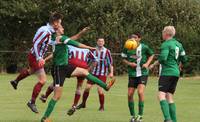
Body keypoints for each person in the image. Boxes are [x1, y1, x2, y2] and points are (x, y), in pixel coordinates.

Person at [41, 25, 115, 122]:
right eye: (61, 27)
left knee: (84, 72)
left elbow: (73, 38)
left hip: (65, 67)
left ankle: (105, 86)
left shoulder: (58, 38)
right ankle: (45, 118)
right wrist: (90, 48)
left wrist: (82, 32)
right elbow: (76, 44)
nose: (63, 28)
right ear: (57, 30)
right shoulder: (61, 38)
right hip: (59, 69)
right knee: (57, 95)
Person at [10, 12, 63, 113]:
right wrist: (39, 57)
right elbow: (36, 43)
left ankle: (15, 81)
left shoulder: (47, 31)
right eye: (60, 23)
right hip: (35, 57)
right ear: (55, 23)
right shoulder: (46, 31)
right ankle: (32, 102)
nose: (60, 25)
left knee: (30, 71)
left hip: (33, 56)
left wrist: (55, 42)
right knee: (43, 80)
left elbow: (44, 42)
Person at [39, 45, 97, 116]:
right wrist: (88, 70)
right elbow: (95, 60)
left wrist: (45, 60)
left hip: (71, 66)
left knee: (57, 81)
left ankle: (45, 96)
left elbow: (55, 54)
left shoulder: (68, 46)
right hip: (83, 67)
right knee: (79, 87)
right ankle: (74, 106)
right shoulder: (87, 50)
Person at [156, 26, 187, 122]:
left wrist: (156, 63)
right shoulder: (179, 44)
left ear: (165, 34)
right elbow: (184, 59)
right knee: (169, 96)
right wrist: (179, 65)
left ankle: (168, 119)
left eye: (162, 33)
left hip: (167, 72)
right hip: (176, 73)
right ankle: (174, 120)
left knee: (161, 95)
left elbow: (163, 58)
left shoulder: (166, 44)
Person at [121, 33, 154, 122]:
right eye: (131, 37)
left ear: (139, 39)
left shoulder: (144, 47)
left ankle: (140, 116)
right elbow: (123, 58)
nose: (133, 39)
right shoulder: (127, 46)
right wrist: (129, 63)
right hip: (132, 74)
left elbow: (152, 55)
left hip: (143, 73)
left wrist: (147, 64)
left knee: (140, 92)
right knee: (129, 94)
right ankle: (132, 116)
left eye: (135, 37)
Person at [76, 38, 114, 111]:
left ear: (104, 42)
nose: (100, 42)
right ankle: (83, 104)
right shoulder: (93, 50)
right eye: (99, 41)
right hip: (93, 73)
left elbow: (110, 63)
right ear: (97, 42)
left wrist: (111, 72)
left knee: (100, 90)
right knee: (87, 88)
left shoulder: (107, 51)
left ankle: (102, 106)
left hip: (102, 74)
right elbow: (88, 61)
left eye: (102, 41)